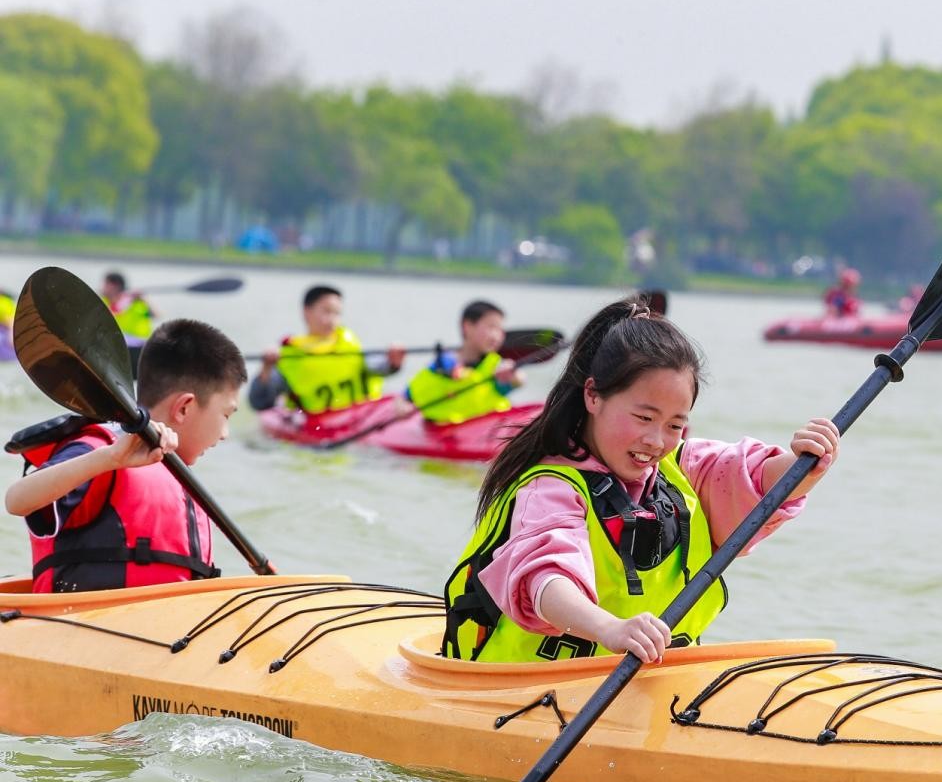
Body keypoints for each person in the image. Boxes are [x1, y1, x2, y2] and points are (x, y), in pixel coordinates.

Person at [443, 295, 840, 664]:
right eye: (644, 418)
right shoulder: (550, 487)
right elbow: (545, 580)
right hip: (524, 697)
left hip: (649, 691)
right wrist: (611, 629)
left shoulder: (680, 467)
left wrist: (805, 463)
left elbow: (750, 480)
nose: (656, 441)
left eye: (674, 424)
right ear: (593, 396)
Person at [4, 319, 247, 593]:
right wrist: (110, 459)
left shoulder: (177, 478)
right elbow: (17, 500)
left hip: (170, 629)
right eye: (225, 415)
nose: (225, 433)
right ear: (184, 407)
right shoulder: (100, 451)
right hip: (87, 626)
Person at [248, 284, 404, 413]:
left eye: (337, 313)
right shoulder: (289, 354)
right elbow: (259, 402)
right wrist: (266, 368)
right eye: (326, 311)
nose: (332, 320)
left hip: (363, 417)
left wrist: (392, 361)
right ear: (306, 312)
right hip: (318, 425)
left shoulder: (349, 342)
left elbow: (377, 366)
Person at [404, 300, 523, 425]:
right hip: (442, 431)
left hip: (484, 432)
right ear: (467, 326)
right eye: (491, 327)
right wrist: (403, 406)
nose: (496, 336)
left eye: (500, 330)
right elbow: (407, 394)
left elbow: (518, 380)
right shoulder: (441, 364)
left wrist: (514, 374)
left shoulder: (498, 366)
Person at [101, 271, 157, 346]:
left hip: (139, 343)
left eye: (106, 284)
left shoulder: (136, 301)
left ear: (115, 286)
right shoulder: (102, 301)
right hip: (120, 342)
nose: (103, 287)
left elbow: (155, 315)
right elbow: (114, 311)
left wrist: (143, 299)